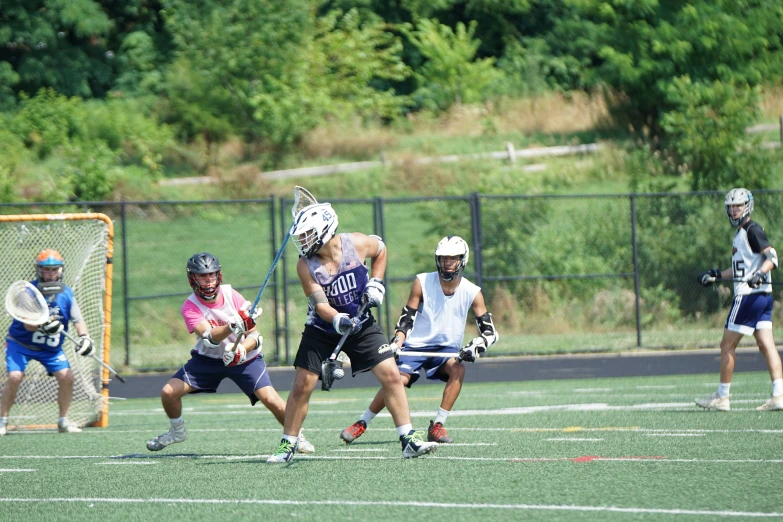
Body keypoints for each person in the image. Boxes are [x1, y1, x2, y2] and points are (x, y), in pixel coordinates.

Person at [266, 201, 438, 463]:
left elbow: (381, 249)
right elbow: (320, 304)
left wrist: (376, 281)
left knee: (391, 374)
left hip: (362, 323)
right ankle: (288, 444)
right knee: (304, 383)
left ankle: (408, 439)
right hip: (323, 328)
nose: (302, 240)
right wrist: (338, 320)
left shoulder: (356, 243)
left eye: (307, 233)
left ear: (325, 229)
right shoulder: (305, 265)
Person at [145, 252, 315, 452]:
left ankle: (296, 436)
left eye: (212, 275)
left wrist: (242, 348)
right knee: (168, 393)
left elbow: (255, 336)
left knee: (272, 400)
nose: (208, 281)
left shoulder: (231, 295)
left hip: (245, 360)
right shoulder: (190, 306)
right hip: (207, 360)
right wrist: (232, 325)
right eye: (202, 276)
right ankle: (177, 432)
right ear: (192, 278)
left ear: (219, 275)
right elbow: (208, 337)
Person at [340, 236, 498, 445]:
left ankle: (438, 426)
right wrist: (398, 342)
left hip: (446, 351)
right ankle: (362, 422)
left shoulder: (472, 291)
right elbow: (406, 319)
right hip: (415, 346)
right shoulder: (422, 281)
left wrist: (477, 346)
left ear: (462, 260)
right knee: (397, 380)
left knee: (458, 369)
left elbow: (489, 332)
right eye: (443, 259)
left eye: (452, 259)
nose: (447, 263)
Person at [695, 188, 783, 411]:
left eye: (739, 206)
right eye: (731, 207)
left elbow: (771, 257)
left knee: (727, 344)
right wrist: (717, 275)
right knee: (766, 345)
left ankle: (722, 397)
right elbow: (741, 269)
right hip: (762, 297)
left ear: (748, 206)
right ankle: (779, 394)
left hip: (748, 297)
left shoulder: (752, 230)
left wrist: (761, 273)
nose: (734, 211)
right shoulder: (741, 233)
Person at [1, 249, 95, 436]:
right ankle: (2, 419)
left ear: (60, 270)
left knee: (67, 377)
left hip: (50, 349)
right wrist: (45, 325)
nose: (50, 273)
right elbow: (29, 326)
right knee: (15, 377)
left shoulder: (67, 293)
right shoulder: (28, 292)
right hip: (21, 345)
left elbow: (78, 320)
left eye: (54, 269)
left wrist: (84, 337)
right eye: (46, 269)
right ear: (39, 270)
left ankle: (63, 420)